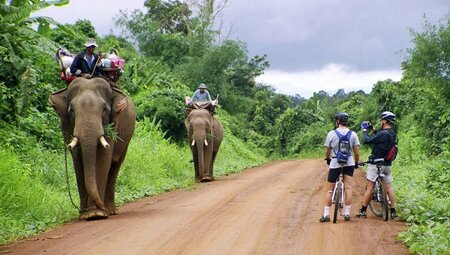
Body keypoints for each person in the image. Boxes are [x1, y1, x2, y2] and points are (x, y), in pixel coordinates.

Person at [357, 111, 398, 219]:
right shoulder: (393, 133)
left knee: (370, 187)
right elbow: (380, 137)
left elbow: (366, 140)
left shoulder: (382, 134)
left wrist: (365, 130)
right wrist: (373, 129)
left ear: (384, 121)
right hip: (387, 164)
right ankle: (393, 211)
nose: (380, 122)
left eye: (381, 120)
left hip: (376, 163)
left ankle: (363, 211)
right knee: (389, 187)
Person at [320, 112, 360, 222]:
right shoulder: (353, 134)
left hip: (335, 163)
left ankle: (326, 215)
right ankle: (347, 213)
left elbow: (327, 151)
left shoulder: (331, 134)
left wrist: (328, 158)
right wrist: (356, 163)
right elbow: (356, 152)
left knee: (330, 190)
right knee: (348, 188)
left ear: (337, 121)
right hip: (349, 163)